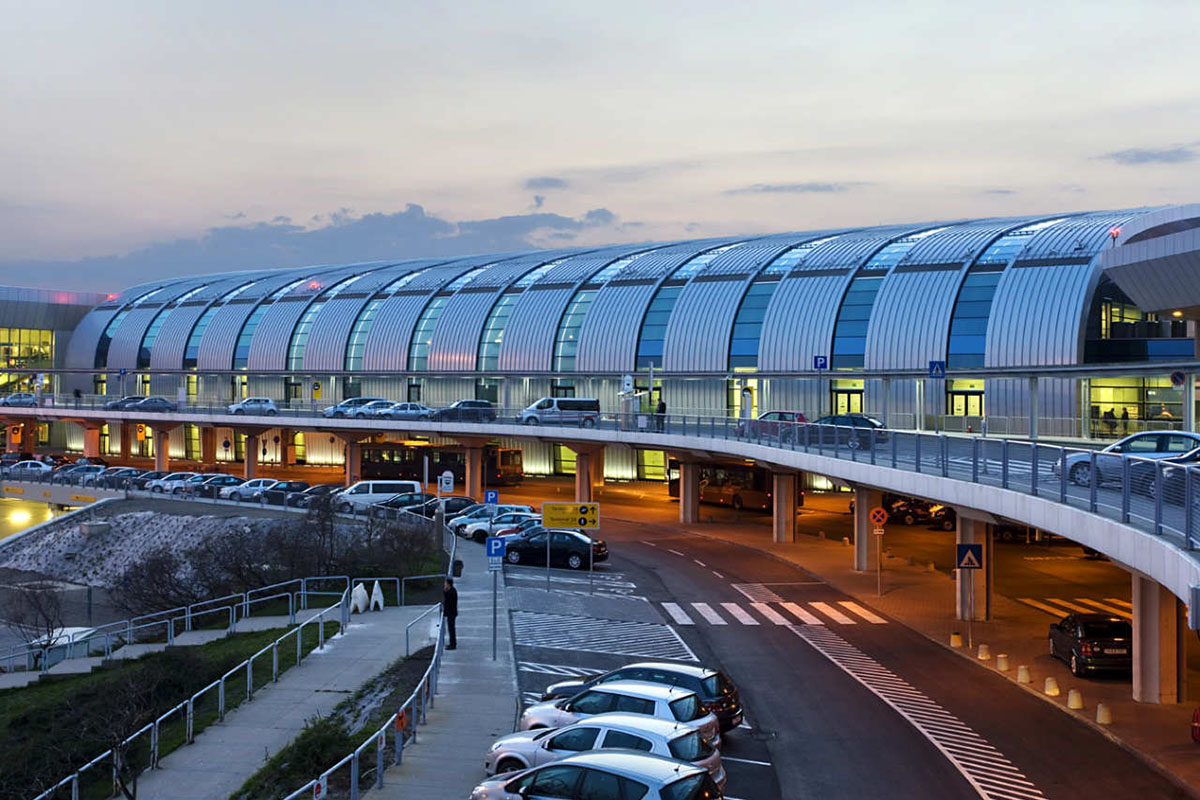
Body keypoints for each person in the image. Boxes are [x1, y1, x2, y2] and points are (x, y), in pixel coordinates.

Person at [442, 577, 458, 650]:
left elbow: (448, 602)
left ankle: (453, 644)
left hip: (451, 613)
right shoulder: (451, 591)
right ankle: (452, 643)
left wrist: (445, 592)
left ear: (448, 584)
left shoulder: (452, 592)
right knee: (451, 628)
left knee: (451, 629)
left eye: (445, 583)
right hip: (451, 613)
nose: (444, 585)